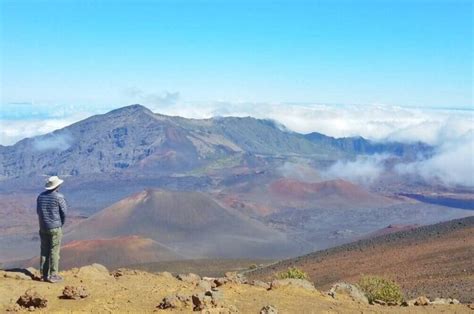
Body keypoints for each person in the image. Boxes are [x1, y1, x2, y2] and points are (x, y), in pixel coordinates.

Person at [36, 175, 68, 283]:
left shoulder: (40, 196)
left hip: (43, 227)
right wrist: (60, 223)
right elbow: (64, 212)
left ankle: (43, 275)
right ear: (57, 186)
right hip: (55, 227)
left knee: (44, 250)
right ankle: (53, 275)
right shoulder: (59, 197)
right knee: (54, 251)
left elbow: (38, 212)